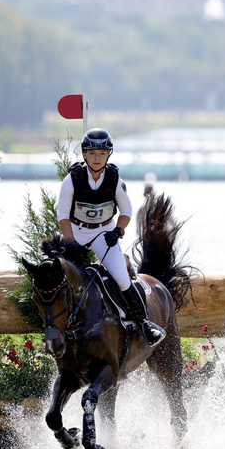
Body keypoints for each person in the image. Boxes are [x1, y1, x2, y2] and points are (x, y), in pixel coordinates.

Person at [57, 128, 165, 347]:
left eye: (102, 153)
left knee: (123, 279)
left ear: (108, 155)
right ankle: (55, 330)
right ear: (84, 154)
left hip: (103, 233)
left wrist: (117, 231)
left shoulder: (115, 181)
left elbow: (126, 211)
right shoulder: (71, 180)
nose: (97, 158)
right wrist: (71, 245)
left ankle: (144, 324)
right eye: (92, 153)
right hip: (75, 232)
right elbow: (62, 217)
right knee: (61, 278)